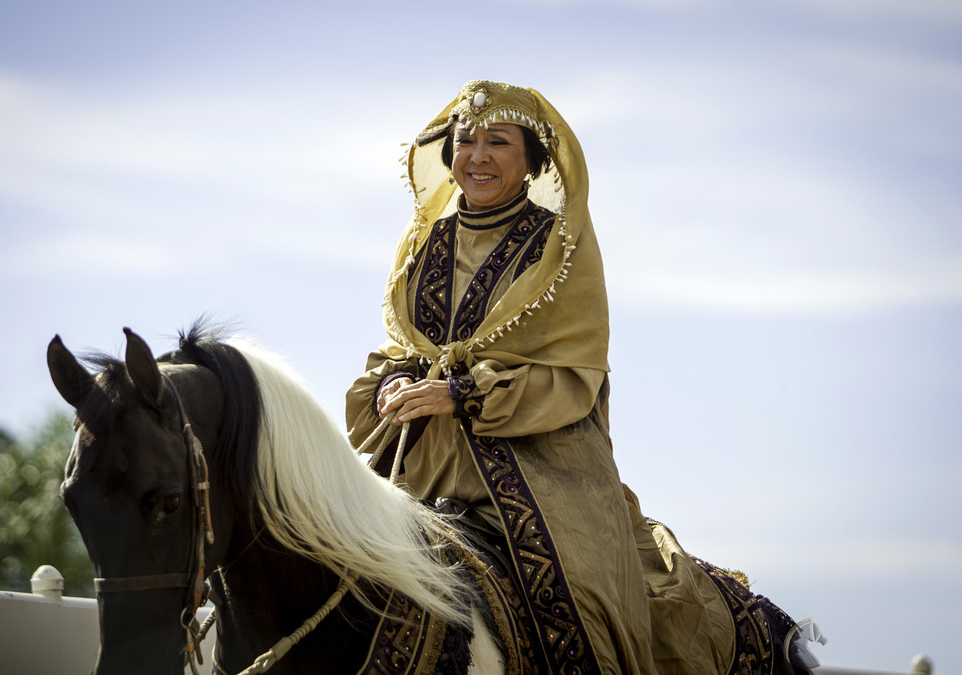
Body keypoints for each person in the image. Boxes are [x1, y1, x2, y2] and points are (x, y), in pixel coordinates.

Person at [347, 80, 811, 675]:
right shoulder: (425, 243)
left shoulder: (558, 246)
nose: (478, 156)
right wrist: (395, 382)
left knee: (579, 605)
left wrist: (459, 393)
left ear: (532, 158)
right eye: (466, 141)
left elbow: (573, 373)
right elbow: (404, 345)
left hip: (542, 460)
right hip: (423, 456)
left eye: (497, 142)